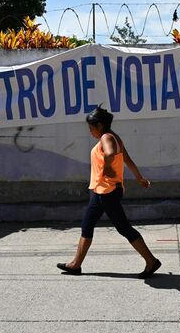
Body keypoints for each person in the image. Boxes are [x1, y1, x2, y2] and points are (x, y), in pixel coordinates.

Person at [57, 107, 161, 279]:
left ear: (99, 125)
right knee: (87, 225)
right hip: (101, 191)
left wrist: (107, 168)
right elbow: (126, 159)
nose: (90, 132)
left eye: (91, 128)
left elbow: (111, 153)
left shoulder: (106, 137)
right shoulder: (115, 137)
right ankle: (76, 264)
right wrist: (139, 178)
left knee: (123, 228)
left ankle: (151, 261)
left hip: (107, 191)